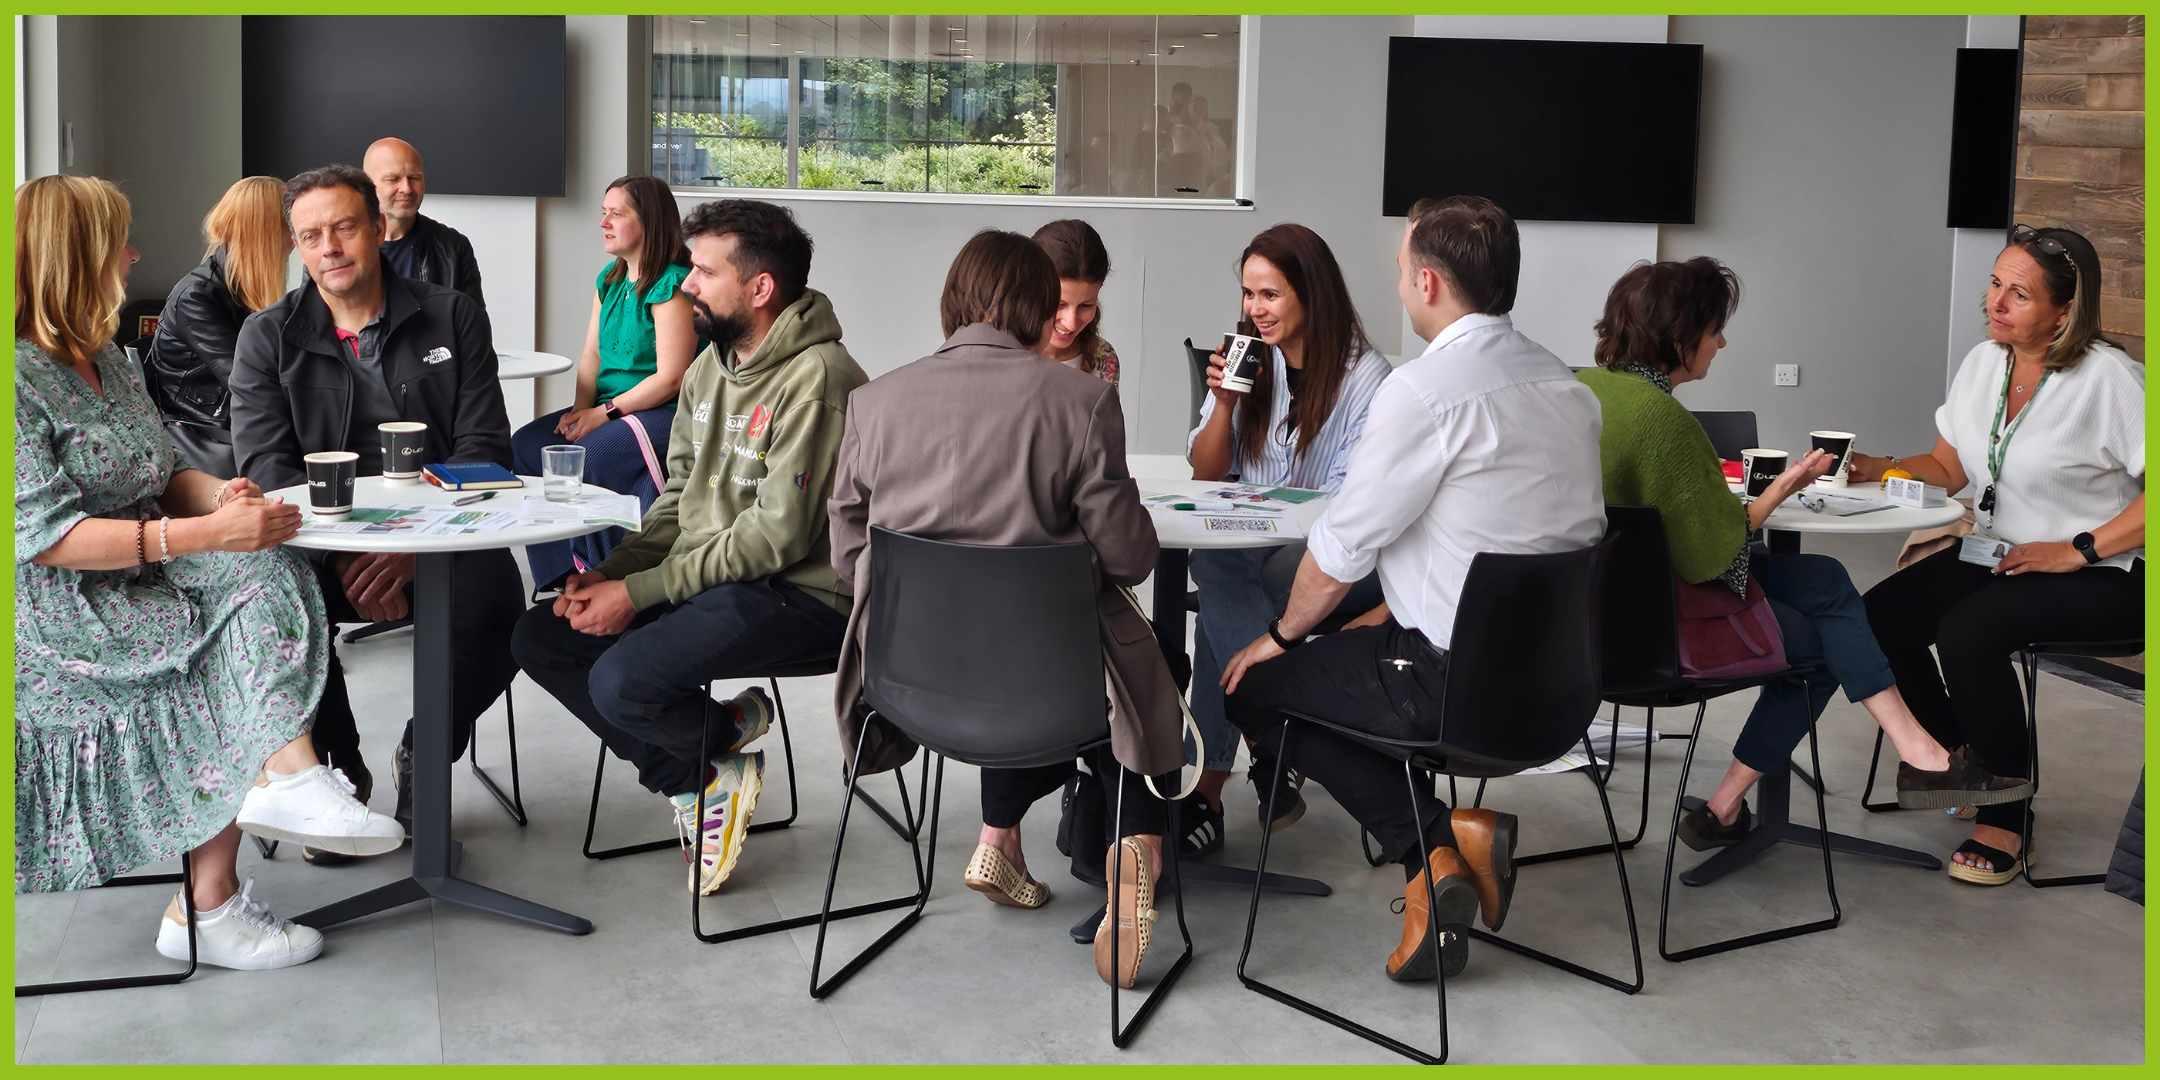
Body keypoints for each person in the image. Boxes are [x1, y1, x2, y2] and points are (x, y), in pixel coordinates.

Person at [15, 175, 402, 971]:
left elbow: (164, 473)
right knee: (206, 639)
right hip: (59, 611)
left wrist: (220, 497)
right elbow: (49, 538)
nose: (133, 254)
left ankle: (289, 777)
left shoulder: (111, 359)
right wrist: (198, 533)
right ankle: (209, 904)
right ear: (72, 257)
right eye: (117, 241)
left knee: (266, 567)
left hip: (140, 566)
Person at [1220, 196, 1602, 982]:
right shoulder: (1568, 390)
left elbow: (1337, 551)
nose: (1397, 285)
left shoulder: (1424, 392)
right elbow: (1498, 543)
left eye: (1401, 271)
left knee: (1255, 689)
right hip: (1562, 694)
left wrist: (1280, 638)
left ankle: (1431, 855)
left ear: (1428, 283)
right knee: (1344, 665)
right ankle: (1453, 836)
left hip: (1449, 688)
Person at [1577, 257, 2031, 853]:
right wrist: (1779, 494)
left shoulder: (1583, 388)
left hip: (1595, 612)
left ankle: (1907, 754)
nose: (1722, 341)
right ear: (1679, 336)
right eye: (1714, 328)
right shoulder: (1663, 422)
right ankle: (1746, 796)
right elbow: (1716, 556)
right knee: (1825, 643)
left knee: (1825, 579)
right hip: (1663, 630)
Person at [828, 229, 1183, 989]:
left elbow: (850, 554)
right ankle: (1135, 845)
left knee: (1052, 664)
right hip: (1050, 689)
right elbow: (1131, 560)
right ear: (1034, 306)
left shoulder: (872, 401)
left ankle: (1003, 839)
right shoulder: (1082, 401)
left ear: (952, 302)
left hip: (907, 689)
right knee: (1130, 666)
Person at [510, 199, 866, 898]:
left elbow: (776, 537)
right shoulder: (710, 371)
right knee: (541, 632)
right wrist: (609, 575)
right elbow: (678, 502)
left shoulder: (820, 379)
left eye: (703, 271)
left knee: (621, 681)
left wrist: (639, 594)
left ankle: (710, 753)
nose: (685, 286)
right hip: (725, 587)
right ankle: (706, 769)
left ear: (759, 289)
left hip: (809, 598)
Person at [228, 164, 523, 855]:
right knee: (277, 602)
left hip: (439, 541)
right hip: (325, 546)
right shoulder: (267, 339)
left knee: (502, 608)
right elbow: (268, 469)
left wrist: (413, 551)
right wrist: (352, 551)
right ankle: (335, 769)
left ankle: (425, 753)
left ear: (376, 229)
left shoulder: (453, 315)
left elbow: (486, 447)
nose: (328, 246)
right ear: (297, 248)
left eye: (342, 227)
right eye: (310, 235)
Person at [1846, 224, 2144, 885]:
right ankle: (1968, 762)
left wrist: (2077, 549)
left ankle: (2009, 819)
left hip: (2107, 573)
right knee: (1873, 619)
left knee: (1970, 630)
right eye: (1994, 284)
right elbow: (1949, 467)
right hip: (2000, 554)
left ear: (2065, 311)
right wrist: (1875, 469)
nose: (1996, 304)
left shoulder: (2112, 380)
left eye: (2019, 294)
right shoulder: (1986, 363)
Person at [1183, 223, 1390, 851]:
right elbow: (1205, 472)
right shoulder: (1250, 358)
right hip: (1250, 545)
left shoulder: (1366, 376)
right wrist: (1222, 404)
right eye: (1248, 294)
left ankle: (1211, 786)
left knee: (1226, 583)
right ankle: (1272, 746)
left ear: (1310, 293)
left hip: (1326, 556)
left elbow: (1354, 503)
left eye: (1269, 295)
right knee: (1219, 571)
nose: (1255, 310)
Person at [511, 176, 695, 590]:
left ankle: (600, 574)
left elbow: (672, 378)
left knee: (586, 456)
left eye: (617, 213)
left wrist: (603, 414)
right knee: (526, 445)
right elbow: (591, 356)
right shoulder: (609, 280)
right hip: (611, 405)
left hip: (661, 411)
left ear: (648, 222)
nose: (604, 222)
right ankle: (559, 575)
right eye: (603, 212)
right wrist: (580, 410)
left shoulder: (672, 285)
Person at [142, 176, 292, 478]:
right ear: (267, 230)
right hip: (206, 436)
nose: (298, 237)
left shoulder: (242, 291)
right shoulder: (197, 297)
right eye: (291, 225)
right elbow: (248, 380)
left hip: (232, 426)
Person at [363, 137, 484, 306]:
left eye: (414, 178)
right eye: (393, 179)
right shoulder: (343, 246)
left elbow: (473, 326)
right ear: (368, 185)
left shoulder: (453, 247)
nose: (406, 188)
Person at [1031, 219, 1118, 384]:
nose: (1071, 323)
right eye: (1059, 304)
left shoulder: (1103, 358)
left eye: (1086, 305)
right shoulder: (993, 355)